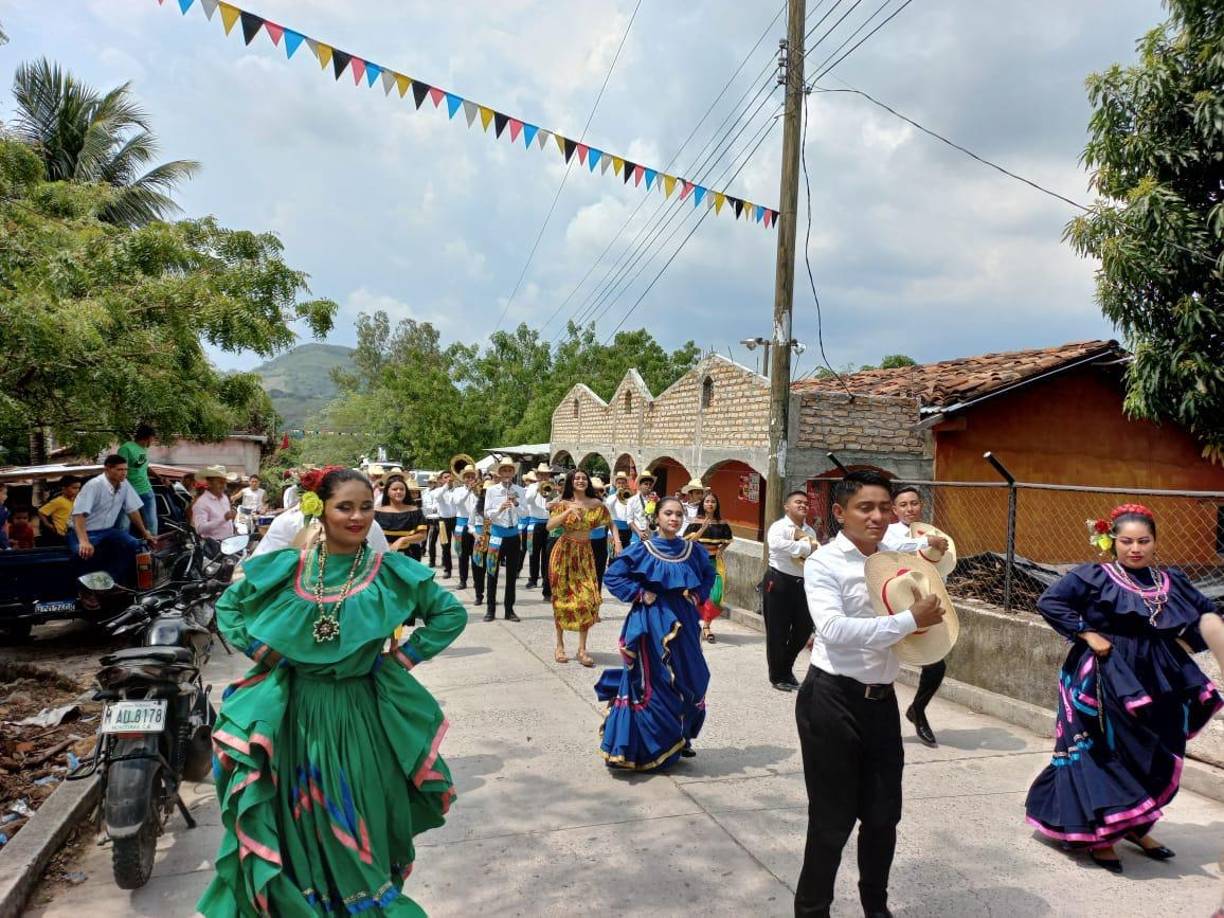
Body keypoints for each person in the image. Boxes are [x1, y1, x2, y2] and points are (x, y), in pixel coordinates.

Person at [195, 467, 465, 916]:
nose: (357, 517)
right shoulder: (290, 567)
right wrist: (265, 652)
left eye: (365, 507)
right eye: (345, 507)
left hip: (360, 716)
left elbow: (448, 614)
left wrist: (403, 659)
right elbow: (230, 606)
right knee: (300, 821)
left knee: (356, 816)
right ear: (322, 509)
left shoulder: (387, 571)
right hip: (295, 718)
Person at [1024, 503, 1224, 873]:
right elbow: (1049, 601)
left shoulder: (1171, 580)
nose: (1136, 549)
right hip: (1104, 672)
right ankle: (1102, 836)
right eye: (1127, 541)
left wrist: (1184, 641)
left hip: (1158, 674)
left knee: (1159, 746)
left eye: (1144, 541)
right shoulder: (1093, 576)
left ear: (1154, 542)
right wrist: (1086, 632)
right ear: (1112, 541)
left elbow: (1207, 613)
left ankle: (1137, 826)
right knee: (1107, 750)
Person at [797, 470, 946, 918]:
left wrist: (932, 556)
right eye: (866, 507)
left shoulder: (894, 557)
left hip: (881, 703)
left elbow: (928, 559)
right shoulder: (825, 563)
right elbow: (833, 630)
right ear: (840, 513)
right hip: (831, 701)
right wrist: (907, 620)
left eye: (885, 507)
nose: (878, 516)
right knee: (831, 821)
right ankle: (812, 910)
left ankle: (875, 907)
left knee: (883, 818)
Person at [597, 496, 716, 770]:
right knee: (657, 681)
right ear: (657, 518)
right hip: (652, 621)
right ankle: (657, 746)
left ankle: (680, 734)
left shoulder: (692, 549)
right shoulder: (643, 549)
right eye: (668, 514)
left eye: (678, 514)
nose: (673, 519)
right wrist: (640, 593)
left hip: (684, 619)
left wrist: (697, 596)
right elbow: (613, 576)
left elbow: (708, 575)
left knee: (694, 678)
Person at [881, 485, 952, 748]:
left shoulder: (931, 532)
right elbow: (893, 547)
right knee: (884, 659)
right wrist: (926, 542)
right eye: (904, 505)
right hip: (894, 603)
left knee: (936, 664)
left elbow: (941, 568)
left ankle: (917, 710)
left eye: (914, 503)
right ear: (894, 509)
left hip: (924, 604)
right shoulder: (888, 532)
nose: (910, 509)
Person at [547, 470, 619, 667]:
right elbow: (549, 526)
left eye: (583, 478)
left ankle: (582, 649)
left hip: (585, 554)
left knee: (587, 599)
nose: (580, 481)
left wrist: (618, 541)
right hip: (564, 553)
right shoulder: (563, 503)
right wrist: (567, 512)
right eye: (577, 478)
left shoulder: (596, 504)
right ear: (571, 482)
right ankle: (560, 645)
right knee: (561, 598)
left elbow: (611, 523)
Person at [69, 455, 157, 586]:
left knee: (134, 545)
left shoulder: (125, 484)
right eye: (120, 469)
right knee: (84, 553)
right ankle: (85, 590)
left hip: (108, 531)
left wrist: (145, 533)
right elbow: (79, 515)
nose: (124, 473)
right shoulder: (94, 485)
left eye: (126, 469)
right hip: (83, 531)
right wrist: (84, 541)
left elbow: (132, 510)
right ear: (108, 469)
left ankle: (112, 582)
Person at [764, 491, 818, 692]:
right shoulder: (779, 527)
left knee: (803, 629)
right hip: (778, 580)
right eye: (798, 502)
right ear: (787, 506)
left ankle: (786, 668)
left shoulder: (810, 531)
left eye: (805, 503)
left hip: (803, 583)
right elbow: (777, 545)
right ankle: (778, 676)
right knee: (778, 631)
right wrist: (805, 547)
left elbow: (814, 553)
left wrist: (807, 547)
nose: (803, 505)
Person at [684, 491, 733, 644]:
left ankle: (706, 625)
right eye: (707, 501)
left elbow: (728, 540)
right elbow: (689, 541)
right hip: (697, 564)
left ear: (716, 505)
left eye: (713, 501)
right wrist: (702, 528)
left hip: (714, 563)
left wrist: (721, 549)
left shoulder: (723, 523)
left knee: (716, 596)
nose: (710, 504)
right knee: (695, 595)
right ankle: (698, 626)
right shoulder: (695, 521)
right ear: (702, 504)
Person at [482, 459, 525, 623]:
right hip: (496, 537)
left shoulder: (520, 490)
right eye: (504, 471)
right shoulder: (492, 491)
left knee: (511, 576)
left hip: (513, 536)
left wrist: (516, 503)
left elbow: (525, 512)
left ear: (513, 473)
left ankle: (509, 610)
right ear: (499, 474)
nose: (507, 474)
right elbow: (487, 514)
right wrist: (500, 507)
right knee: (492, 573)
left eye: (509, 471)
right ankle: (490, 609)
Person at [117, 423, 158, 536]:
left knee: (151, 524)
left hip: (146, 490)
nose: (153, 441)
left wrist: (160, 478)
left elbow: (144, 467)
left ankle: (152, 548)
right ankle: (123, 549)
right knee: (124, 525)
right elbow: (119, 470)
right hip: (129, 492)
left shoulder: (143, 450)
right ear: (148, 437)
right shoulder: (126, 448)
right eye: (153, 438)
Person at [452, 466, 485, 603]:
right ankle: (463, 579)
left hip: (477, 525)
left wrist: (477, 492)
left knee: (477, 558)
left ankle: (478, 588)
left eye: (472, 477)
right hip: (462, 523)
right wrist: (468, 491)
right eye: (467, 477)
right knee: (462, 555)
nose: (470, 479)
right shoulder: (458, 490)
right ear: (464, 478)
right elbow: (457, 503)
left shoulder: (480, 490)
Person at [523, 463, 557, 596]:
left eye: (546, 474)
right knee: (533, 552)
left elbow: (555, 502)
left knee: (547, 554)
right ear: (537, 475)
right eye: (541, 474)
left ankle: (545, 580)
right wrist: (537, 488)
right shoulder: (531, 487)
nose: (544, 477)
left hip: (549, 523)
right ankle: (533, 578)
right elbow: (528, 501)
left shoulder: (552, 487)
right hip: (535, 523)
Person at [376, 474, 429, 559]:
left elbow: (422, 535)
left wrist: (402, 540)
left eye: (402, 489)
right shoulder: (376, 512)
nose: (398, 491)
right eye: (394, 489)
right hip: (382, 557)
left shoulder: (414, 511)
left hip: (408, 556)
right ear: (387, 492)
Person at [192, 466, 237, 541]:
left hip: (228, 542)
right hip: (213, 546)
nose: (223, 486)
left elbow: (227, 520)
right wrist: (224, 519)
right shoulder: (201, 503)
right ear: (209, 483)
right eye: (220, 482)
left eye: (224, 482)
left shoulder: (224, 498)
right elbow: (200, 529)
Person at [37, 477, 81, 544]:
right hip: (62, 535)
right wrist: (48, 525)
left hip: (74, 533)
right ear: (64, 489)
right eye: (74, 488)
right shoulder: (58, 501)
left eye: (78, 488)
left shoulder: (76, 501)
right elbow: (41, 511)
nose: (77, 490)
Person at [431, 471, 457, 579]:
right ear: (441, 480)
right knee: (445, 546)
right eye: (446, 477)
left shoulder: (457, 490)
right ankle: (447, 569)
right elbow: (437, 497)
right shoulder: (438, 491)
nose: (449, 479)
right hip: (443, 521)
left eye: (450, 476)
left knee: (461, 546)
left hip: (456, 520)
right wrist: (446, 485)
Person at [588, 477, 612, 587]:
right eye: (595, 490)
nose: (598, 493)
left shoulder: (605, 503)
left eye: (600, 490)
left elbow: (609, 522)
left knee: (599, 571)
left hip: (601, 541)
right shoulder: (584, 502)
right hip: (586, 541)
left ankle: (596, 597)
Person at [625, 471, 656, 544]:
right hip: (637, 535)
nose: (648, 486)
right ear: (640, 486)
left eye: (650, 484)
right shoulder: (632, 500)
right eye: (646, 484)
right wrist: (639, 533)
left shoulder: (655, 500)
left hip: (651, 535)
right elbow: (629, 520)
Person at [606, 472, 633, 554]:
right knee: (613, 555)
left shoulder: (628, 496)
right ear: (615, 484)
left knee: (625, 554)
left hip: (627, 529)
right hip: (614, 529)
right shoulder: (611, 497)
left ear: (626, 484)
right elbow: (608, 507)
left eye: (623, 483)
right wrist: (616, 495)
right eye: (619, 483)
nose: (621, 485)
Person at [422, 475, 440, 568]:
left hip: (435, 518)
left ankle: (436, 560)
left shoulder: (438, 492)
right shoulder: (425, 491)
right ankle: (426, 555)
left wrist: (429, 508)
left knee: (434, 540)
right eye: (429, 482)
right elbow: (422, 503)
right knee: (426, 538)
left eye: (432, 482)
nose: (430, 484)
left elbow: (435, 507)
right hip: (426, 517)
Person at [0, 484, 8, 550]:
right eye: (4, 493)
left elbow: (5, 526)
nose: (6, 496)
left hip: (2, 540)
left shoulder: (4, 509)